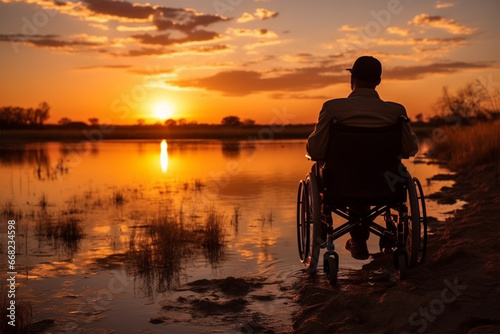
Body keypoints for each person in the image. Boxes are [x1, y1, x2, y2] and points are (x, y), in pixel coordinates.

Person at [306, 55, 419, 260]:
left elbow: (315, 152)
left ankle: (351, 238)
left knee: (319, 170)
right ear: (378, 81)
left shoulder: (332, 108)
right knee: (374, 173)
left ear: (352, 80)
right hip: (385, 184)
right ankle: (365, 239)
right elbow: (410, 150)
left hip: (340, 184)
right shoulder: (396, 111)